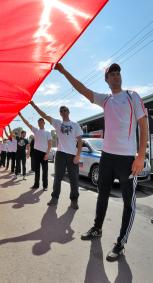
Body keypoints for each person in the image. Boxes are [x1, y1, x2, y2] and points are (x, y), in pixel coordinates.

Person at [55, 62, 148, 261]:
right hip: (106, 156)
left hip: (127, 159)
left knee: (128, 203)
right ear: (107, 80)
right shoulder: (105, 100)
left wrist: (140, 156)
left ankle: (121, 243)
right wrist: (64, 72)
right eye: (112, 74)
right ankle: (97, 228)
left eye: (118, 73)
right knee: (102, 195)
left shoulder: (133, 96)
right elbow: (82, 89)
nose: (116, 76)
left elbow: (143, 123)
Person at [30, 102, 83, 209]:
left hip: (72, 154)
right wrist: (34, 106)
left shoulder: (75, 125)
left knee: (74, 178)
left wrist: (78, 155)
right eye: (61, 111)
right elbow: (44, 115)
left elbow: (80, 141)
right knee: (58, 177)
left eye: (65, 110)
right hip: (60, 154)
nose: (63, 112)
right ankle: (54, 198)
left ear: (68, 112)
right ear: (60, 114)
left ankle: (74, 200)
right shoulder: (58, 123)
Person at [19, 113, 52, 191]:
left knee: (45, 171)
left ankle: (45, 186)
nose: (40, 123)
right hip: (36, 153)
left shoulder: (48, 132)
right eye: (39, 122)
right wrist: (21, 115)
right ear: (38, 124)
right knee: (37, 170)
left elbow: (50, 144)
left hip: (44, 153)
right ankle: (36, 185)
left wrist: (47, 154)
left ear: (44, 123)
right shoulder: (36, 131)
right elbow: (27, 123)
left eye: (41, 122)